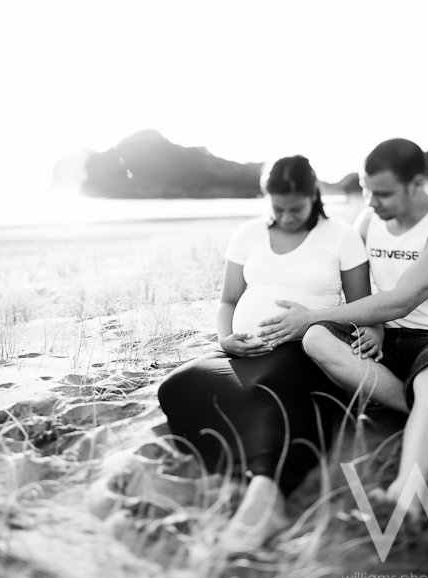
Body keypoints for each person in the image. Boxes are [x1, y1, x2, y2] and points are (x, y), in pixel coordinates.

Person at [157, 155, 381, 551]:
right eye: (277, 208)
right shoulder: (248, 235)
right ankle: (248, 455)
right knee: (179, 386)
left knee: (278, 388)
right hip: (246, 353)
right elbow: (228, 300)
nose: (287, 216)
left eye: (296, 208)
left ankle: (268, 492)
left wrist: (348, 328)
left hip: (309, 347)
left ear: (313, 195)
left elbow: (363, 308)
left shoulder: (342, 236)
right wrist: (226, 339)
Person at [257, 138, 428, 518]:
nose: (371, 203)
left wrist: (308, 314)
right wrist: (366, 326)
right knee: (316, 338)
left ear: (415, 184)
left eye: (382, 193)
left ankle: (406, 495)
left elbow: (400, 300)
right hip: (386, 337)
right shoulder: (368, 220)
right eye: (365, 190)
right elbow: (358, 289)